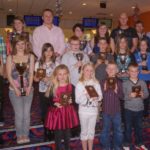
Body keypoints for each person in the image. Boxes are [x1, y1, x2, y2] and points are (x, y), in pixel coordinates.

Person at [6, 35, 34, 144]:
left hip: (28, 90)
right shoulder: (10, 57)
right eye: (18, 44)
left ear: (26, 44)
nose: (20, 46)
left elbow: (31, 73)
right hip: (14, 90)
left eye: (23, 44)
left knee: (26, 114)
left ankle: (25, 134)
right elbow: (8, 75)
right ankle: (19, 135)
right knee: (19, 114)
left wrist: (29, 87)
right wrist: (16, 89)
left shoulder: (30, 56)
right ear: (14, 45)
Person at [45, 64, 79, 150]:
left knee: (67, 134)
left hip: (67, 112)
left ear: (68, 74)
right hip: (57, 114)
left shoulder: (71, 87)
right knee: (58, 134)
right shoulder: (53, 86)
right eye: (60, 74)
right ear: (56, 75)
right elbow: (48, 100)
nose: (62, 76)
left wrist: (72, 102)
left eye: (64, 74)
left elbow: (75, 101)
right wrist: (54, 104)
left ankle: (68, 148)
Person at [34, 43, 58, 140]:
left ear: (53, 52)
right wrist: (40, 76)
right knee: (44, 111)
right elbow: (35, 80)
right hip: (42, 91)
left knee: (53, 110)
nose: (48, 53)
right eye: (46, 50)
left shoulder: (56, 63)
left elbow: (59, 77)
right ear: (43, 52)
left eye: (50, 50)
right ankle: (46, 130)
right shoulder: (38, 63)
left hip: (53, 91)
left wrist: (50, 78)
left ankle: (52, 129)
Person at [75, 63, 102, 150]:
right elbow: (77, 100)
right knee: (84, 132)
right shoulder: (79, 84)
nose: (89, 72)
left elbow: (101, 96)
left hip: (93, 111)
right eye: (87, 70)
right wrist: (86, 96)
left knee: (91, 131)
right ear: (83, 71)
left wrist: (96, 97)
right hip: (83, 111)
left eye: (91, 70)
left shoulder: (96, 83)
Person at [123, 63, 149, 150]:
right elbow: (122, 97)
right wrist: (129, 96)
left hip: (139, 109)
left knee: (139, 127)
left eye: (136, 71)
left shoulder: (142, 82)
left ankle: (139, 143)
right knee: (128, 127)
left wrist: (143, 95)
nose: (134, 73)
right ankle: (126, 144)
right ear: (128, 72)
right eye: (132, 71)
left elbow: (146, 95)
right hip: (128, 109)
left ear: (138, 72)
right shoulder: (125, 83)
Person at [100, 62, 123, 150]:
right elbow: (99, 97)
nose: (111, 70)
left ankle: (117, 146)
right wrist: (104, 89)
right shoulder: (102, 82)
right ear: (106, 70)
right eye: (109, 68)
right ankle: (106, 147)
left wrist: (117, 91)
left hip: (116, 111)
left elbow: (122, 97)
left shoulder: (120, 82)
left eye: (113, 69)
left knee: (118, 131)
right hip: (106, 111)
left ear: (117, 71)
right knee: (105, 130)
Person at [134, 39, 150, 117]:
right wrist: (140, 67)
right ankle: (138, 111)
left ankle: (145, 113)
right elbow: (133, 67)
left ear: (147, 46)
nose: (143, 46)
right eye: (141, 45)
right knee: (138, 96)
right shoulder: (135, 55)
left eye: (145, 44)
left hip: (148, 79)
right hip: (138, 78)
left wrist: (149, 71)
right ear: (139, 46)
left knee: (146, 96)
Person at [0, 35, 7, 126]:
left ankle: (0, 117)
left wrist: (3, 71)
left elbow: (3, 57)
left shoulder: (0, 39)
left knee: (0, 97)